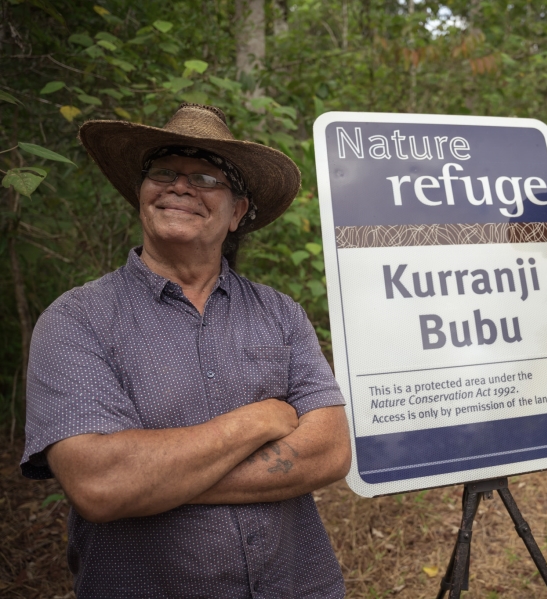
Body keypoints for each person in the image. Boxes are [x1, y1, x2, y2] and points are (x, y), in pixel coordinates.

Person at [21, 103, 351, 598]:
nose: (180, 186)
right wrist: (256, 421)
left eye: (205, 177)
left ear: (237, 211)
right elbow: (101, 483)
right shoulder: (76, 320)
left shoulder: (281, 313)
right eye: (163, 172)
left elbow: (330, 452)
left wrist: (155, 484)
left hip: (299, 586)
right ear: (141, 193)